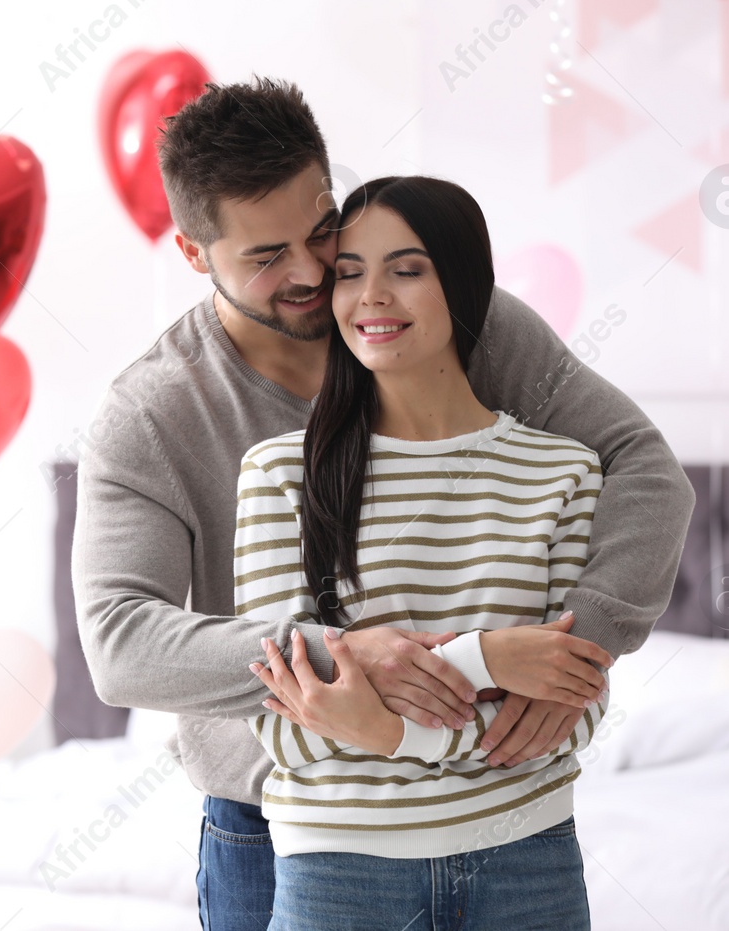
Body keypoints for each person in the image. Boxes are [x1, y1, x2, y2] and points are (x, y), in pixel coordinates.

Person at [69, 77, 694, 931]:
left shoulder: (447, 322)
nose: (311, 272)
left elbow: (644, 465)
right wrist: (337, 656)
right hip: (279, 825)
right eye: (263, 255)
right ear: (191, 251)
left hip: (500, 807)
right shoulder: (154, 413)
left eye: (318, 230)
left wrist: (578, 645)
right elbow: (121, 643)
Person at [237, 174, 611, 929]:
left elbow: (574, 710)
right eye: (350, 273)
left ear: (463, 283)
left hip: (526, 866)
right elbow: (278, 717)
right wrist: (491, 662)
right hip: (338, 876)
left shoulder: (562, 472)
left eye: (406, 269)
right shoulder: (279, 473)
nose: (370, 295)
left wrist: (390, 730)